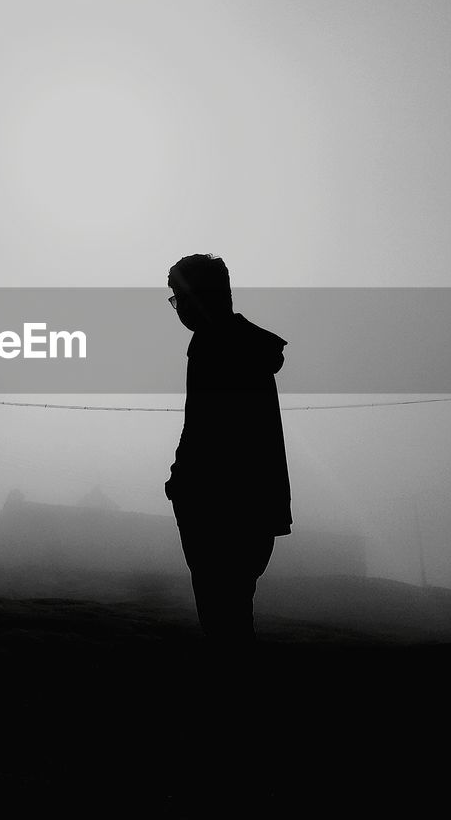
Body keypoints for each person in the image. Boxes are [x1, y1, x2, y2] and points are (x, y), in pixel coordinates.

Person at [164, 254, 292, 645]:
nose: (178, 308)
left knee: (223, 620)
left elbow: (204, 428)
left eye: (178, 298)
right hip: (254, 506)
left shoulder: (211, 345)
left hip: (216, 507)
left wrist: (180, 483)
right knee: (235, 614)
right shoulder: (248, 346)